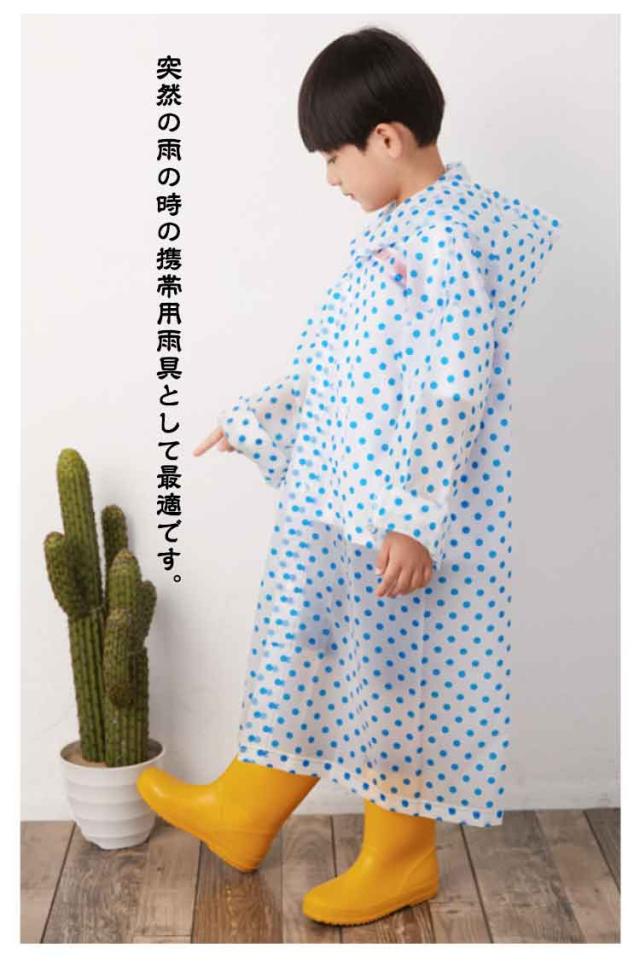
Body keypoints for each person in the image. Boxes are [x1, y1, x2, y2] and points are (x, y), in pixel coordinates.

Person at [137, 25, 562, 927]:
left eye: (333, 157)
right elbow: (344, 365)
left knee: (397, 677)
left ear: (387, 138)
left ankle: (400, 856)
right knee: (313, 646)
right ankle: (245, 808)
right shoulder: (400, 232)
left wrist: (414, 517)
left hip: (396, 520)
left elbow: (451, 386)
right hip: (346, 505)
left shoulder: (443, 240)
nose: (330, 177)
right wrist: (260, 416)